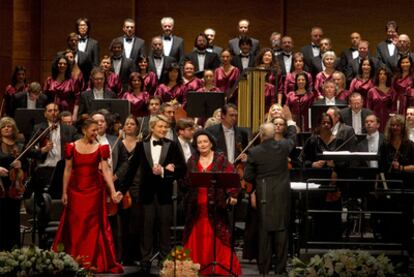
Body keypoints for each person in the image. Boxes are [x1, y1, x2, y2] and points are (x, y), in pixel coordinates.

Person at [52, 119, 123, 273]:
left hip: (95, 191)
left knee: (92, 225)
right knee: (75, 224)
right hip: (75, 191)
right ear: (84, 130)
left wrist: (112, 191)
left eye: (97, 130)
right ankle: (74, 259)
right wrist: (64, 192)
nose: (96, 133)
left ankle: (90, 259)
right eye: (93, 130)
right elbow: (67, 170)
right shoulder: (71, 147)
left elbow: (105, 171)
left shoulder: (101, 148)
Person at [121, 114, 186, 274]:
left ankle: (165, 261)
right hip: (146, 194)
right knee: (146, 228)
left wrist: (165, 171)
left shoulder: (172, 145)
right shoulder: (141, 145)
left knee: (164, 228)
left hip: (165, 194)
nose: (164, 129)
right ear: (152, 128)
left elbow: (182, 169)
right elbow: (131, 170)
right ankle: (145, 260)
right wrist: (121, 191)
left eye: (166, 127)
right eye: (160, 127)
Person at [183, 129, 242, 276]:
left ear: (211, 143)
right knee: (197, 235)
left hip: (217, 205)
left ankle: (219, 268)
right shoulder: (192, 160)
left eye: (205, 142)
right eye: (199, 142)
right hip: (197, 205)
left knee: (216, 236)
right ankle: (197, 268)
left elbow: (231, 178)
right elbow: (186, 181)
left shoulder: (221, 159)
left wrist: (232, 195)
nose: (202, 145)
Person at [244, 112, 296, 275]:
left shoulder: (254, 152)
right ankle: (280, 268)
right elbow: (293, 137)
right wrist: (290, 121)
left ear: (261, 134)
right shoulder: (283, 147)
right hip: (282, 194)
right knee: (282, 230)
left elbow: (247, 176)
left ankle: (264, 268)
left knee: (264, 232)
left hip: (264, 194)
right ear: (274, 133)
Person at [0, 117, 25, 250]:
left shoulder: (20, 145)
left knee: (13, 218)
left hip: (14, 185)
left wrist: (21, 164)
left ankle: (14, 249)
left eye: (9, 126)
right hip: (0, 185)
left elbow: (29, 162)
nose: (6, 128)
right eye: (3, 126)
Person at [43, 55, 80, 122]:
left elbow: (77, 99)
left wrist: (74, 115)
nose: (62, 65)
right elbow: (45, 98)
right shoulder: (49, 80)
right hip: (53, 112)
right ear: (56, 65)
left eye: (65, 64)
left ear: (67, 66)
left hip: (68, 111)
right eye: (60, 63)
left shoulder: (72, 81)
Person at [367, 67, 395, 132]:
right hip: (375, 119)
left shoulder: (392, 91)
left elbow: (394, 109)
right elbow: (368, 108)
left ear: (387, 76)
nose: (382, 76)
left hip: (388, 119)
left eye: (385, 74)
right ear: (377, 76)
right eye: (380, 74)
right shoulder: (371, 91)